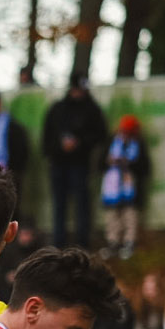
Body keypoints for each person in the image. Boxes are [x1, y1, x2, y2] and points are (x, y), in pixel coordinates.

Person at [42, 72, 108, 248]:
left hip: (80, 164)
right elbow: (48, 135)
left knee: (82, 204)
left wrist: (79, 143)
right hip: (59, 163)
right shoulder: (58, 109)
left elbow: (100, 134)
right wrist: (58, 147)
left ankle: (82, 241)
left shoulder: (92, 109)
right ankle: (59, 241)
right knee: (59, 204)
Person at [100, 114, 149, 260]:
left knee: (130, 216)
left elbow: (145, 168)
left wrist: (129, 164)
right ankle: (113, 243)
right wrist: (110, 161)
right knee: (112, 216)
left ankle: (129, 243)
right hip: (112, 187)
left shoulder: (139, 144)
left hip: (131, 188)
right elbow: (99, 163)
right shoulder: (111, 142)